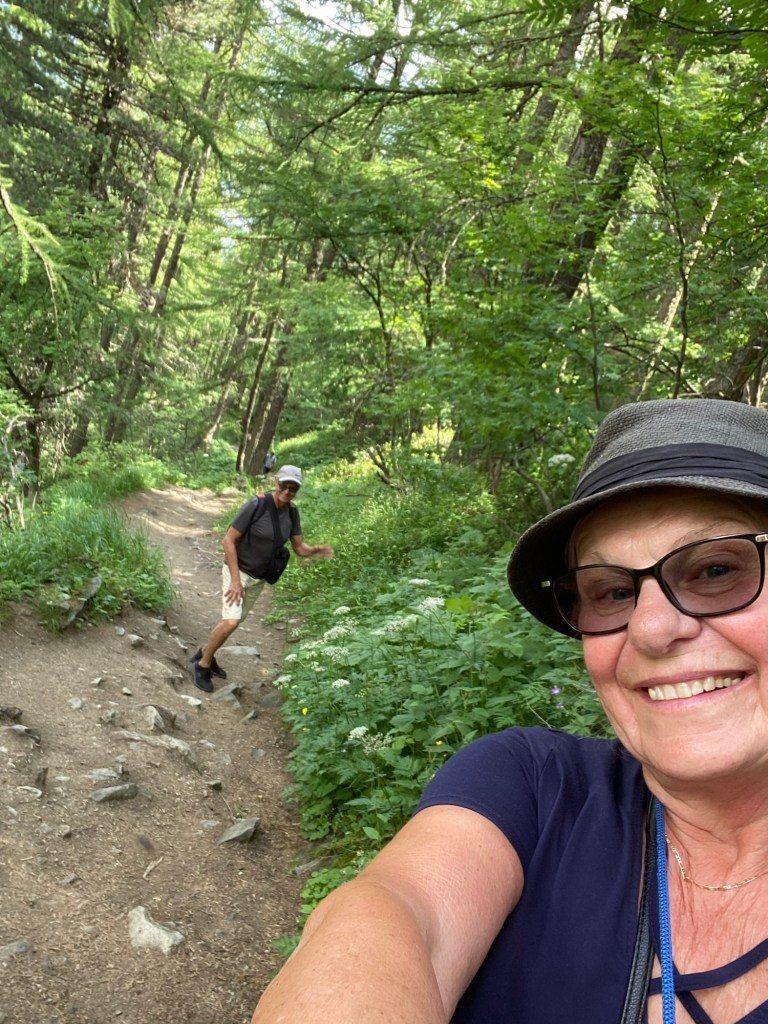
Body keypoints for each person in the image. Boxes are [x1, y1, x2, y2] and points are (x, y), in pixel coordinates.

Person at [250, 398, 768, 1024]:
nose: (651, 629)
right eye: (611, 591)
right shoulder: (533, 785)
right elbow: (393, 910)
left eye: (716, 570)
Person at [192, 465, 333, 692]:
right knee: (230, 622)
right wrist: (235, 581)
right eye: (284, 485)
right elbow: (228, 540)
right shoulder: (256, 504)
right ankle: (202, 665)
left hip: (258, 578)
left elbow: (299, 547)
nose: (287, 491)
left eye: (293, 488)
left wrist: (315, 550)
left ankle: (204, 652)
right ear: (276, 481)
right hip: (237, 571)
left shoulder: (292, 512)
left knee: (233, 622)